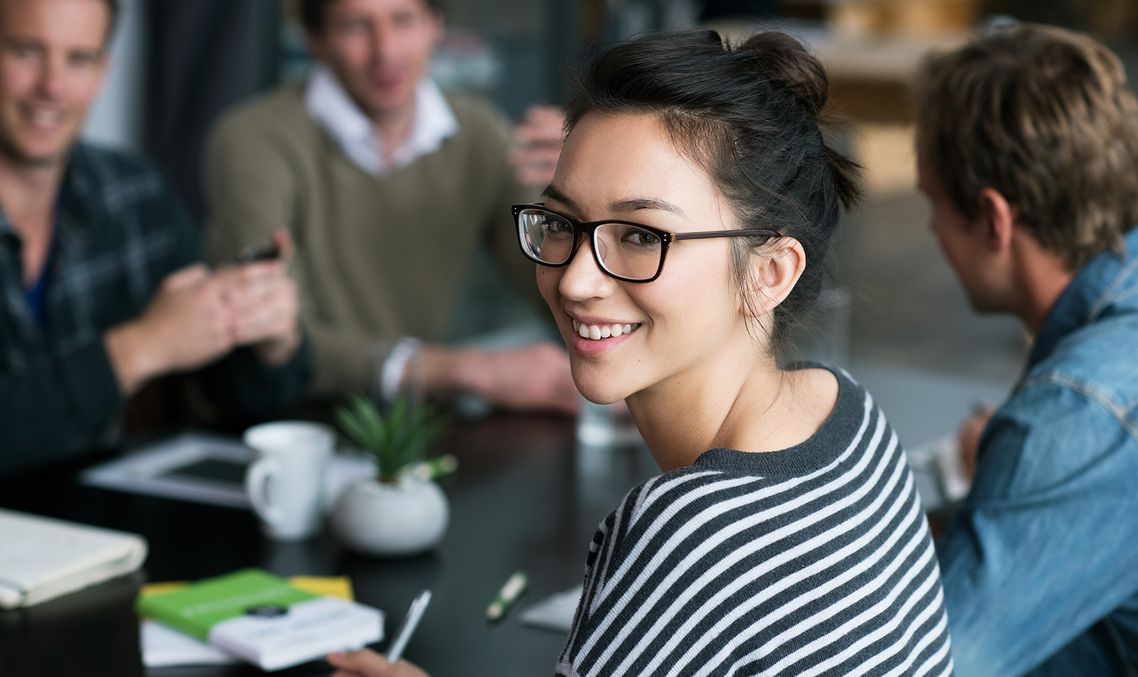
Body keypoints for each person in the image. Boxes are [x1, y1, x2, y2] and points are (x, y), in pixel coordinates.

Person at [326, 29, 953, 677]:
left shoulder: (692, 531)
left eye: (640, 235)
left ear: (770, 271)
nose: (575, 279)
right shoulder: (847, 412)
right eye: (561, 222)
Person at [204, 0, 578, 413]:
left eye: (403, 20)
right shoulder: (254, 139)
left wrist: (582, 198)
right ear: (317, 41)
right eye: (355, 27)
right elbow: (275, 333)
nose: (386, 51)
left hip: (410, 425)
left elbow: (554, 289)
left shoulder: (478, 133)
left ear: (436, 25)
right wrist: (470, 370)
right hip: (284, 422)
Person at [0, 0, 308, 475]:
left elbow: (238, 400)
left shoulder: (133, 193)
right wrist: (140, 347)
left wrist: (266, 338)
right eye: (25, 52)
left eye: (79, 59)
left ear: (103, 72)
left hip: (94, 526)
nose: (52, 87)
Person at [914, 23, 1138, 675]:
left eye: (933, 204)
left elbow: (934, 664)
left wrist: (1034, 457)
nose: (929, 229)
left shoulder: (1075, 413)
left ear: (993, 219)